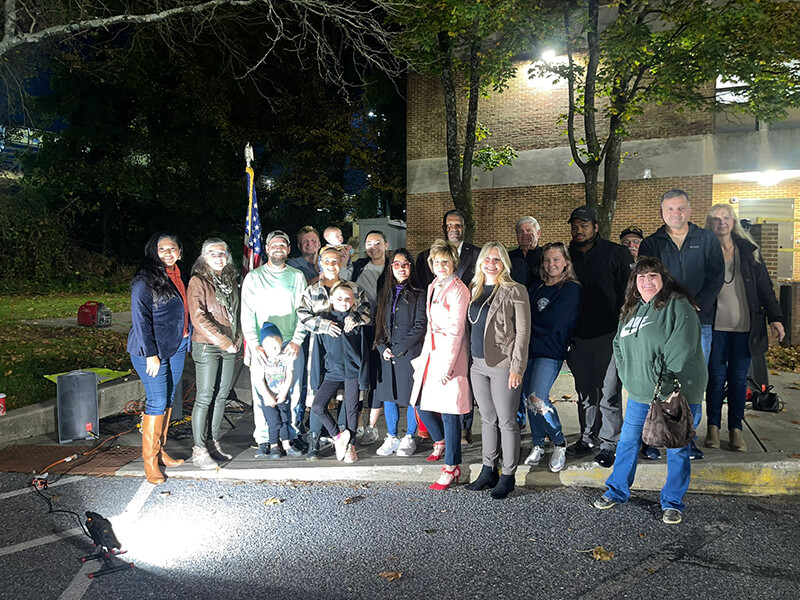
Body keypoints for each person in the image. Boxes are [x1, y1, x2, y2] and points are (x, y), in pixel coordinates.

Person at [594, 257, 707, 525]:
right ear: (634, 282)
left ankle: (673, 502)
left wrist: (661, 380)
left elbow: (681, 348)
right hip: (641, 392)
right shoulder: (632, 309)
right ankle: (617, 490)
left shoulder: (679, 306)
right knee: (628, 441)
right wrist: (628, 375)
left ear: (663, 279)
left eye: (652, 276)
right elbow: (619, 345)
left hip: (676, 391)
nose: (647, 281)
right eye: (641, 276)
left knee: (676, 445)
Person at [639, 189, 724, 460]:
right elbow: (646, 279)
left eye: (681, 208)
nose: (676, 213)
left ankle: (687, 439)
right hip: (661, 322)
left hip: (699, 321)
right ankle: (654, 437)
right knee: (656, 378)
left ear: (689, 210)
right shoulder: (651, 243)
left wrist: (699, 303)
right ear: (661, 212)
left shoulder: (707, 240)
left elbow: (716, 275)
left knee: (692, 382)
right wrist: (663, 308)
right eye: (670, 209)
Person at [703, 204, 785, 452]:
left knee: (738, 381)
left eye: (726, 217)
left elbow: (765, 287)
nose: (722, 222)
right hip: (715, 327)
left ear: (734, 221)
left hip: (745, 327)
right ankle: (713, 428)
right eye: (716, 218)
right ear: (710, 224)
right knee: (715, 379)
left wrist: (776, 317)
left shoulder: (749, 251)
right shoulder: (705, 251)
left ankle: (735, 430)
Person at [566, 206, 633, 468]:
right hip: (577, 337)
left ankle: (609, 444)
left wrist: (623, 332)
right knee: (584, 393)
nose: (579, 230)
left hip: (609, 335)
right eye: (575, 226)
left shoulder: (616, 253)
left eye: (584, 225)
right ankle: (587, 438)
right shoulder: (567, 256)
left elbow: (628, 293)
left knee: (609, 393)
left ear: (595, 227)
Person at [464, 243, 531, 500]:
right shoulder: (474, 288)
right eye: (487, 259)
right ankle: (488, 469)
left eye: (497, 259)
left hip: (503, 365)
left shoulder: (515, 290)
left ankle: (508, 475)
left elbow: (523, 333)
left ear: (504, 263)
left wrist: (517, 368)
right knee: (487, 419)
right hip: (477, 364)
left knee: (506, 421)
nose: (491, 264)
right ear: (480, 262)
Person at [297, 246, 371, 459]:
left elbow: (366, 312)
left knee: (349, 403)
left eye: (335, 261)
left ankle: (348, 443)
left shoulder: (353, 288)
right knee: (317, 396)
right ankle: (315, 438)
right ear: (320, 263)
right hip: (322, 348)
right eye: (327, 261)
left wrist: (355, 318)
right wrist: (323, 325)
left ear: (341, 263)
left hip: (349, 351)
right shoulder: (312, 290)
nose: (331, 265)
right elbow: (302, 314)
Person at [127, 232, 189, 485]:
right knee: (157, 401)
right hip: (151, 350)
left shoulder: (180, 274)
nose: (167, 253)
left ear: (179, 252)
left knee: (169, 397)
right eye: (162, 249)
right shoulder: (144, 279)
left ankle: (161, 451)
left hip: (178, 345)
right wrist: (150, 353)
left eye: (172, 248)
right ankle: (150, 461)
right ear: (153, 251)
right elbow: (140, 319)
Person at [410, 239, 471, 490]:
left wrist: (448, 364)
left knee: (450, 413)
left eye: (445, 261)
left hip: (450, 355)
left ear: (454, 262)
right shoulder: (434, 284)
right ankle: (440, 441)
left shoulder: (459, 289)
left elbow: (457, 330)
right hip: (432, 352)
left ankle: (451, 466)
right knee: (421, 403)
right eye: (437, 261)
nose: (441, 265)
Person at [415, 209, 480, 445]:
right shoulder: (427, 257)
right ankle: (443, 434)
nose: (453, 229)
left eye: (458, 225)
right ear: (444, 228)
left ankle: (464, 428)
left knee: (462, 379)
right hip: (439, 329)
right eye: (449, 225)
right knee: (436, 386)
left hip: (467, 323)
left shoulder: (477, 253)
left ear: (464, 227)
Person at [241, 230, 308, 458]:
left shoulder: (296, 276)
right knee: (262, 392)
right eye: (274, 245)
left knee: (293, 391)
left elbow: (303, 311)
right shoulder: (254, 277)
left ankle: (291, 435)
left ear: (288, 250)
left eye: (283, 245)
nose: (278, 248)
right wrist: (253, 344)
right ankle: (264, 439)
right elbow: (247, 314)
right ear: (267, 249)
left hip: (289, 343)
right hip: (263, 345)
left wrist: (297, 340)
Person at [522, 242, 581, 473]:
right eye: (547, 260)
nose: (551, 264)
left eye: (556, 259)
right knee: (529, 399)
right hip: (529, 351)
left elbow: (556, 322)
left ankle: (558, 442)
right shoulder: (536, 287)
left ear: (565, 262)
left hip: (550, 351)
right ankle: (538, 443)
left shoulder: (570, 289)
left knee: (538, 397)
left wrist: (528, 326)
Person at [186, 238, 241, 470]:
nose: (218, 257)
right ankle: (199, 450)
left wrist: (237, 338)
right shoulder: (198, 281)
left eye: (222, 253)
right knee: (205, 396)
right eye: (212, 253)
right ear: (203, 257)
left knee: (221, 395)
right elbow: (198, 317)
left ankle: (213, 441)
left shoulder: (230, 279)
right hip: (208, 346)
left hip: (230, 345)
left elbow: (237, 311)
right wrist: (223, 341)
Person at [309, 282, 371, 463]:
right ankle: (338, 437)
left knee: (351, 410)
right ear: (331, 300)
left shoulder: (356, 322)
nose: (343, 302)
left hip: (352, 373)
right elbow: (318, 353)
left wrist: (363, 379)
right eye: (339, 298)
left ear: (353, 301)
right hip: (332, 373)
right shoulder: (324, 322)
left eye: (347, 298)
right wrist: (316, 379)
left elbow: (363, 352)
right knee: (318, 406)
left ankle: (351, 446)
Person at [373, 249, 427, 457]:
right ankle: (392, 436)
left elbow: (420, 325)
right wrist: (381, 347)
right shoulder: (384, 293)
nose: (401, 268)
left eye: (405, 264)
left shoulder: (419, 294)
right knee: (389, 396)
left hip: (408, 353)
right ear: (391, 267)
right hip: (386, 353)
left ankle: (410, 436)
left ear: (411, 267)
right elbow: (379, 323)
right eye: (397, 264)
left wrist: (397, 349)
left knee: (411, 396)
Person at [620, 225, 660, 461]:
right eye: (626, 242)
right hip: (629, 335)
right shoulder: (621, 266)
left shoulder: (652, 270)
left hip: (651, 338)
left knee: (651, 397)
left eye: (635, 242)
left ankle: (650, 441)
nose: (631, 246)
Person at [351, 230, 390, 445]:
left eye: (377, 243)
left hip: (381, 330)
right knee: (359, 377)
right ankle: (356, 422)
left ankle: (372, 425)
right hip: (359, 328)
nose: (373, 247)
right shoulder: (358, 266)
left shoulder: (392, 268)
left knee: (377, 378)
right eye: (369, 243)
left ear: (386, 245)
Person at [250, 323, 304, 459]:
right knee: (273, 422)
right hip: (268, 396)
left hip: (282, 395)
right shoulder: (261, 359)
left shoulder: (286, 358)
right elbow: (259, 379)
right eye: (269, 346)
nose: (273, 349)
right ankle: (274, 445)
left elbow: (289, 375)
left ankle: (286, 444)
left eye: (276, 345)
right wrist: (267, 396)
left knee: (285, 420)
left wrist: (284, 393)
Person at [509, 216, 543, 288]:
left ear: (538, 233)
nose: (524, 234)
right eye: (520, 231)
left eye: (528, 230)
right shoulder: (509, 257)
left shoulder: (545, 255)